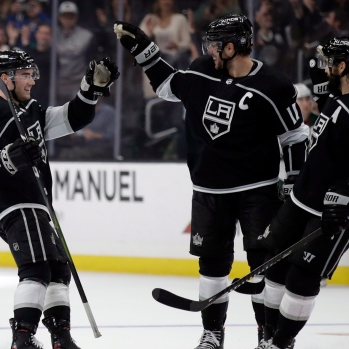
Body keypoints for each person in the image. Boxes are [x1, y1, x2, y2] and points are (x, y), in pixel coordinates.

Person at [114, 13, 310, 349]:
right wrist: (145, 50)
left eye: (216, 45)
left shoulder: (273, 86)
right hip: (208, 192)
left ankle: (267, 336)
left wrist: (292, 181)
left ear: (233, 47)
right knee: (212, 266)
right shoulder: (202, 69)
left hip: (257, 192)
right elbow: (167, 86)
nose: (210, 50)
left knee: (263, 266)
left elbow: (295, 136)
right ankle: (213, 334)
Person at [0, 49, 119, 349]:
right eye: (24, 75)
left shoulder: (32, 111)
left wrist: (89, 89)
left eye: (31, 74)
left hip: (34, 203)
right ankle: (22, 337)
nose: (31, 81)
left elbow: (71, 118)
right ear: (5, 80)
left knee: (57, 269)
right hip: (14, 202)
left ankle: (59, 335)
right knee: (36, 268)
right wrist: (12, 157)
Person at [256, 36, 349, 349]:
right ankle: (267, 339)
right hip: (303, 200)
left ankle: (280, 343)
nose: (325, 66)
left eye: (331, 62)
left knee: (300, 279)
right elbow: (329, 117)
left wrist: (345, 195)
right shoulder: (342, 94)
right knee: (275, 267)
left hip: (333, 209)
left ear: (343, 66)